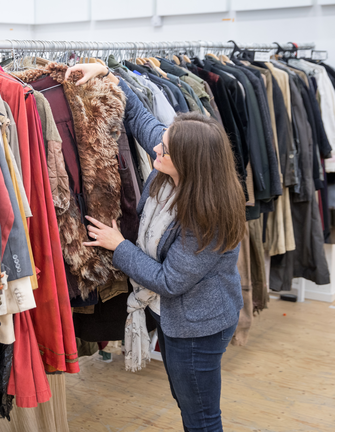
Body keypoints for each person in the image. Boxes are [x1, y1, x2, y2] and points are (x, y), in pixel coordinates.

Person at [66, 63, 245, 432]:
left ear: (190, 162)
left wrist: (118, 246)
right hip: (177, 316)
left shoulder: (205, 215)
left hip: (197, 327)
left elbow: (169, 280)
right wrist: (104, 70)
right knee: (188, 400)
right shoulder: (176, 168)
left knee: (200, 414)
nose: (156, 147)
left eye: (165, 148)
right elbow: (141, 119)